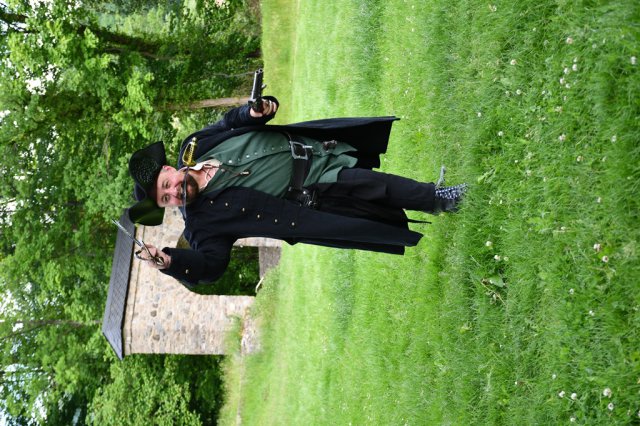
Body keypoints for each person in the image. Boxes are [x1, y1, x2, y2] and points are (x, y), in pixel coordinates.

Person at [126, 96, 466, 291]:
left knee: (371, 174)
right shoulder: (202, 224)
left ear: (168, 170)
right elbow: (210, 266)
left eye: (166, 185)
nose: (174, 193)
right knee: (378, 186)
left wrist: (254, 112)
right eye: (166, 199)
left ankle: (438, 198)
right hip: (312, 191)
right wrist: (170, 262)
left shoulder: (194, 146)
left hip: (313, 147)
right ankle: (441, 199)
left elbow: (230, 123)